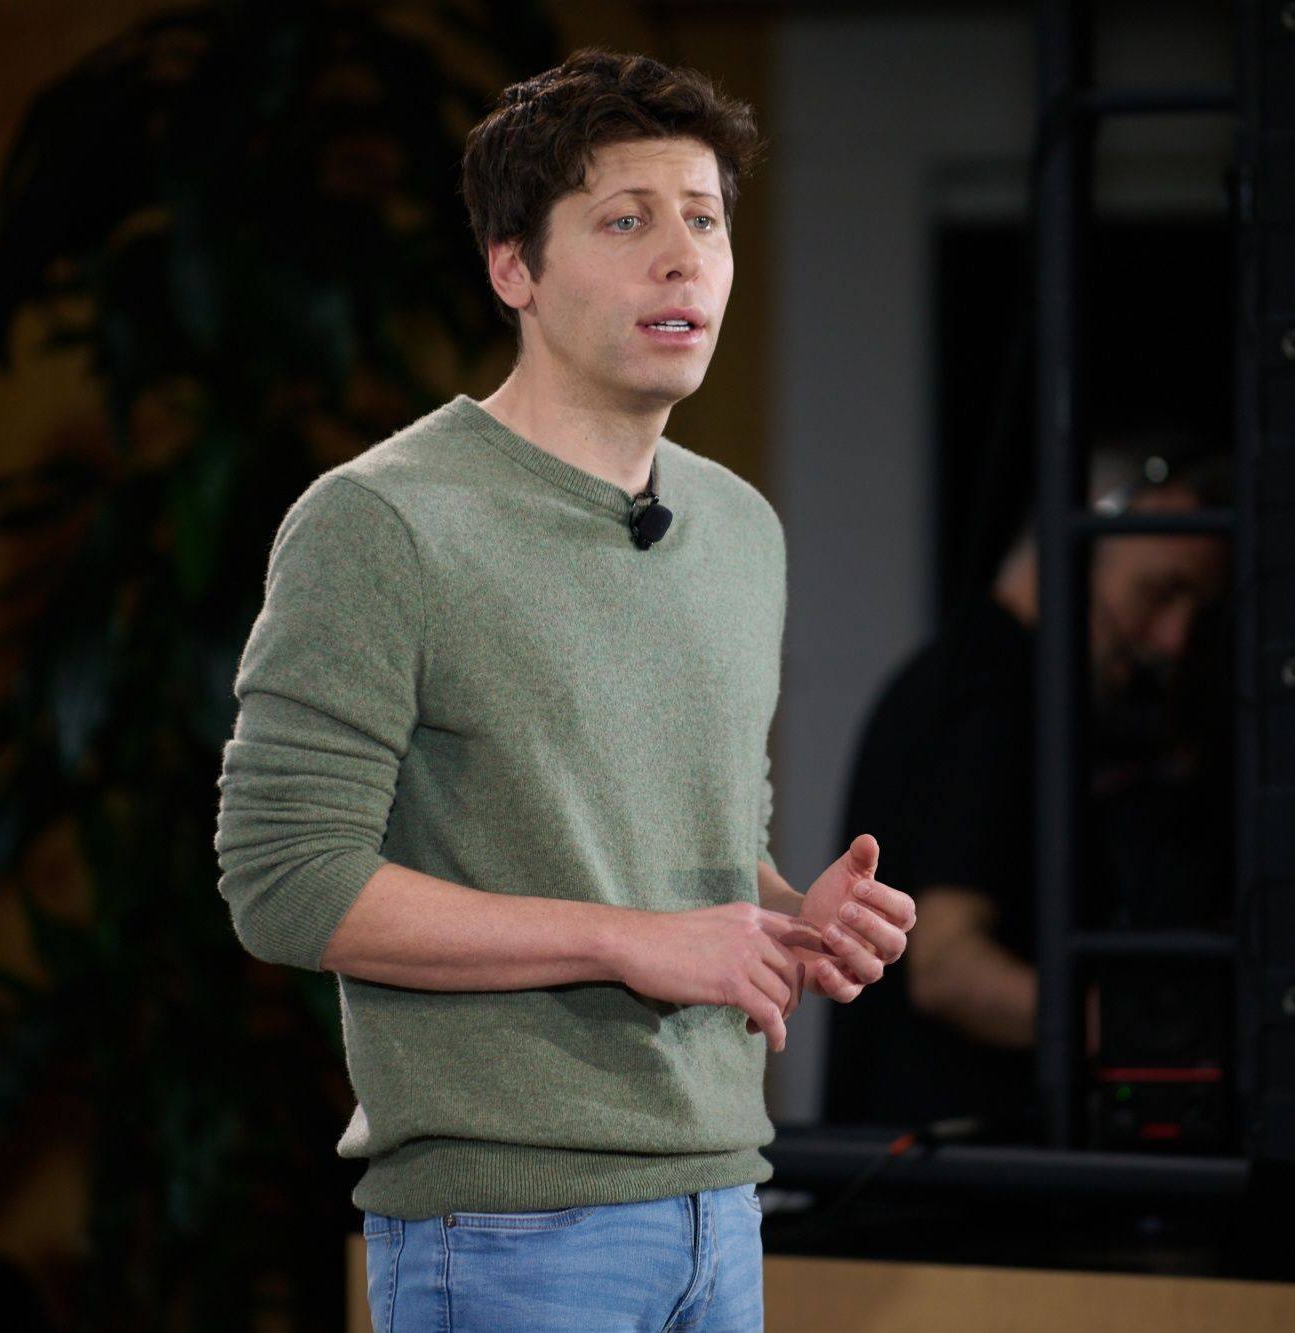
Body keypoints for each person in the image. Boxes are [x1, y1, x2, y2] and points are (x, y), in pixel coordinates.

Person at [212, 49, 916, 1331]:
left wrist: (778, 912)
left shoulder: (737, 526)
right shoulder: (381, 521)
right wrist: (626, 939)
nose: (681, 257)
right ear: (512, 270)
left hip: (723, 1205)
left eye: (703, 219)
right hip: (502, 1228)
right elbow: (284, 880)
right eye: (624, 220)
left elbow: (693, 843)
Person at [822, 441, 1229, 1138]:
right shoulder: (1001, 689)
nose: (1171, 640)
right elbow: (946, 966)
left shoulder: (957, 669)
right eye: (1160, 592)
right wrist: (1142, 1032)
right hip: (943, 1200)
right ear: (1081, 541)